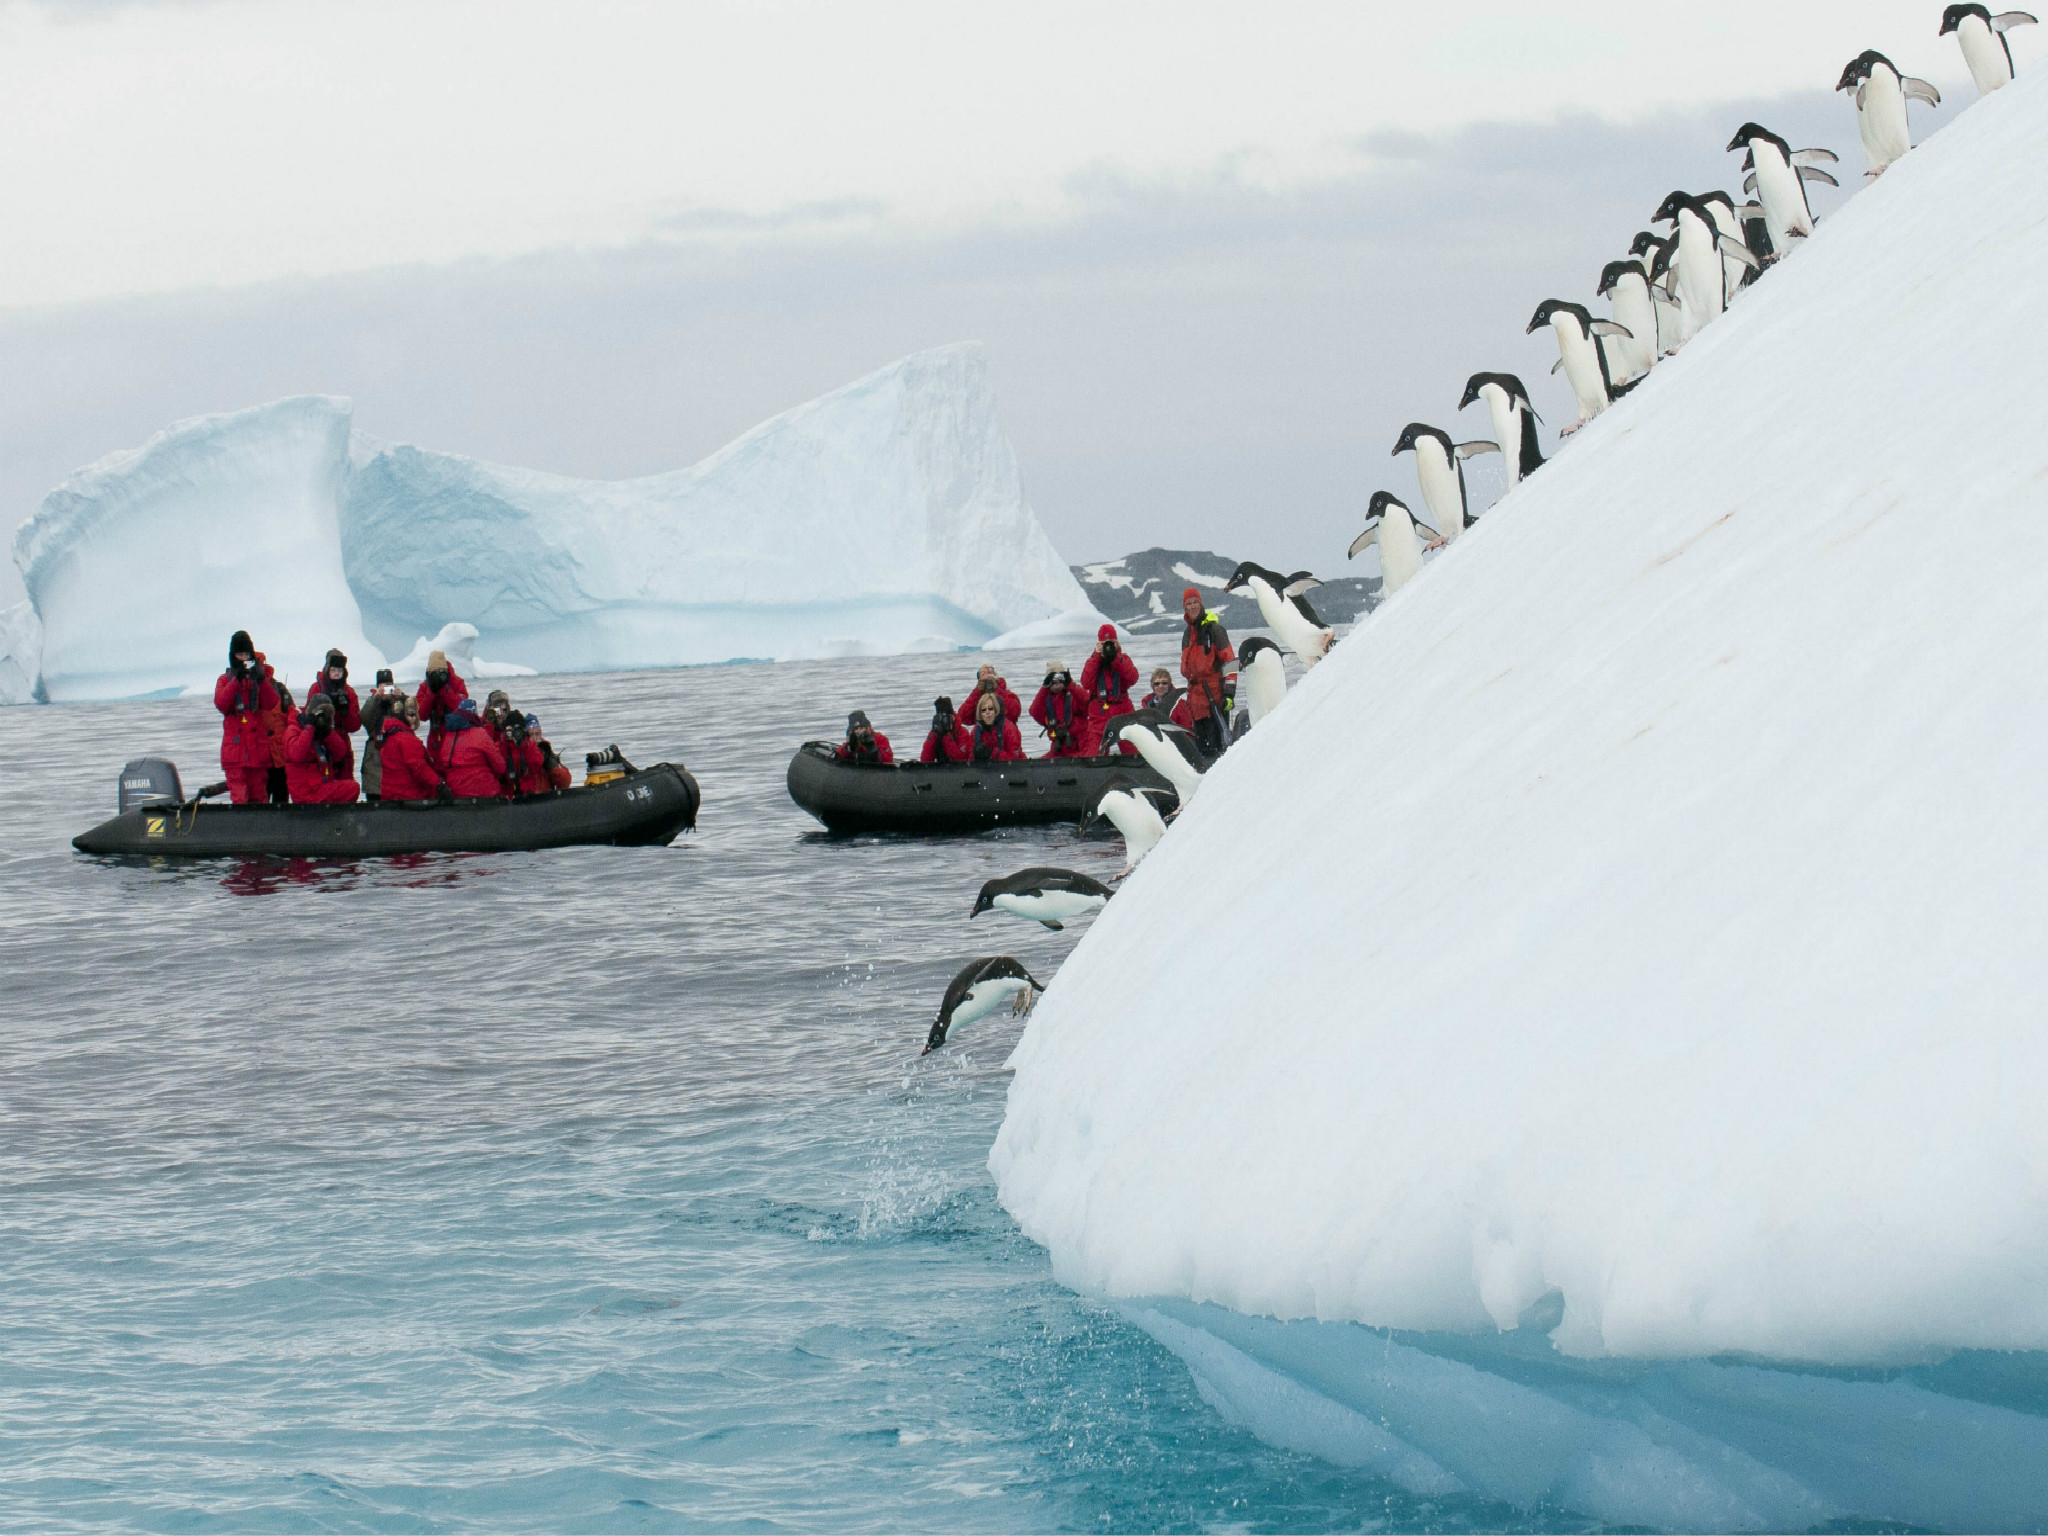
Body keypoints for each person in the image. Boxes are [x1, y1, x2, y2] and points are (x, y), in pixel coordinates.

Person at [214, 630, 280, 805]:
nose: (243, 659)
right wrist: (236, 681)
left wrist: (261, 680)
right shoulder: (224, 680)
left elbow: (271, 703)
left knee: (260, 799)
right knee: (240, 799)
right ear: (233, 656)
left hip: (257, 754)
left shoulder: (258, 679)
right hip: (236, 756)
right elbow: (221, 704)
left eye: (246, 655)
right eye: (239, 655)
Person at [1178, 586, 1237, 760]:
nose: (1193, 606)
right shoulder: (1187, 634)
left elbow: (1231, 663)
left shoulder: (1215, 631)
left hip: (1214, 700)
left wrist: (1228, 694)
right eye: (1189, 603)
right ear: (1185, 607)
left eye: (1196, 602)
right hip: (1196, 703)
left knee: (1218, 751)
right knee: (1202, 752)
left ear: (1201, 604)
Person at [283, 693, 361, 804]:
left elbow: (340, 753)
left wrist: (328, 733)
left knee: (351, 787)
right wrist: (309, 728)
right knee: (352, 788)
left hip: (320, 786)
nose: (322, 719)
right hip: (306, 791)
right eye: (320, 715)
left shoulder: (323, 733)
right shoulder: (294, 729)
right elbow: (296, 754)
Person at [429, 696, 509, 799]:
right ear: (474, 715)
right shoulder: (480, 734)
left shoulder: (448, 737)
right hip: (484, 792)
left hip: (456, 793)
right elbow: (500, 767)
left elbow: (443, 764)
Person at [1079, 624, 1139, 755]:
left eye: (1111, 643)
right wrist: (1096, 655)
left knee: (1133, 755)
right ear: (1099, 643)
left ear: (1117, 643)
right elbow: (1086, 683)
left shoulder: (1123, 659)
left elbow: (1133, 678)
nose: (1108, 647)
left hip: (1123, 711)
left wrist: (1116, 657)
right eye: (1105, 643)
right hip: (1099, 713)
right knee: (1094, 757)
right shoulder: (1093, 661)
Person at [374, 697, 441, 802]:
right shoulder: (407, 740)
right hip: (408, 796)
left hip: (390, 795)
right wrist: (440, 784)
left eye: (414, 714)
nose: (414, 719)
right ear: (402, 716)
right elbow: (420, 769)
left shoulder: (389, 736)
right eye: (411, 715)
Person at [358, 671, 406, 801]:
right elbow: (363, 719)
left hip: (395, 753)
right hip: (375, 755)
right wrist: (375, 699)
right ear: (378, 687)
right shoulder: (372, 702)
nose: (386, 690)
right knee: (374, 796)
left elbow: (412, 719)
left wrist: (401, 698)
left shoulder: (399, 702)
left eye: (389, 685)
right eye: (383, 686)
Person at [1029, 661, 1090, 758]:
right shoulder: (1046, 698)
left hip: (1080, 748)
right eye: (1053, 680)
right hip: (1058, 750)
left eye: (1060, 679)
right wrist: (1045, 687)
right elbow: (1034, 712)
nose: (1057, 684)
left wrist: (1070, 684)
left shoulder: (1074, 695)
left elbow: (1089, 703)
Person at [417, 649, 469, 755]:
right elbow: (421, 715)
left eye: (440, 672)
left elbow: (462, 710)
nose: (437, 677)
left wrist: (445, 690)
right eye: (433, 673)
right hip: (435, 737)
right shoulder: (425, 686)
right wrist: (431, 692)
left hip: (456, 736)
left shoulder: (456, 683)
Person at [509, 713, 574, 794]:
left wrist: (554, 768)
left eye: (537, 734)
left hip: (546, 797)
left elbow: (564, 784)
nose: (535, 738)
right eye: (531, 734)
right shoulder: (519, 754)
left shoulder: (546, 750)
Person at [303, 648, 362, 736]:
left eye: (340, 671)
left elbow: (354, 727)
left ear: (344, 672)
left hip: (341, 739)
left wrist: (346, 712)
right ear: (327, 670)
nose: (337, 673)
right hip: (319, 738)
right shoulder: (317, 689)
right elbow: (306, 718)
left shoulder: (349, 693)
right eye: (333, 670)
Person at [968, 689, 1023, 762]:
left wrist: (992, 753)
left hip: (1012, 769)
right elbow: (969, 761)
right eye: (983, 710)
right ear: (980, 714)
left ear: (996, 711)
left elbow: (1015, 759)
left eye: (990, 709)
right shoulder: (975, 731)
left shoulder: (1009, 729)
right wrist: (976, 755)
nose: (987, 712)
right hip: (986, 770)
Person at [920, 696, 974, 763]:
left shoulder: (962, 733)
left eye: (946, 718)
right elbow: (925, 760)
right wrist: (932, 736)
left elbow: (962, 759)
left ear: (953, 717)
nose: (944, 722)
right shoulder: (935, 734)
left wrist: (948, 737)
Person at [1139, 667, 1195, 732]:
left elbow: (1187, 730)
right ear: (1153, 686)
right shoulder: (1147, 703)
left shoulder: (1179, 703)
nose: (1160, 686)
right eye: (1157, 684)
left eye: (1164, 683)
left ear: (1169, 685)